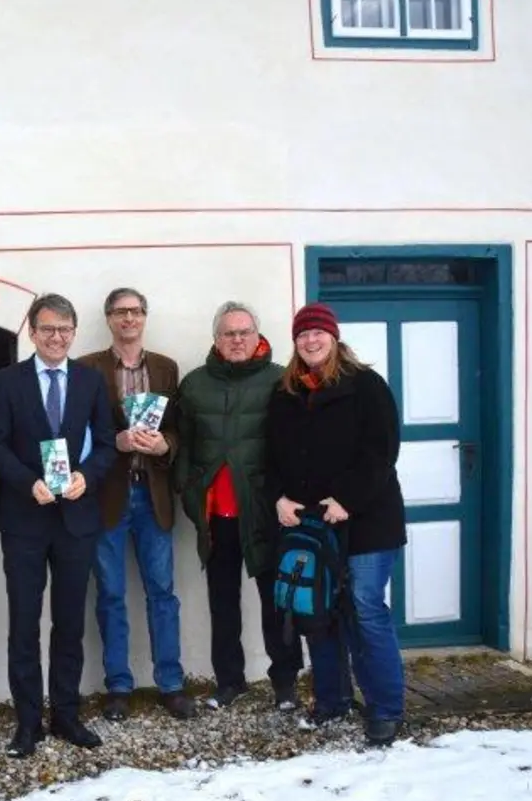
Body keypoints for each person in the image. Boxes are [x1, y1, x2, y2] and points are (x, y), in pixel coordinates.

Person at [264, 303, 408, 746]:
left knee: (365, 609)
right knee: (318, 613)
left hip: (367, 521)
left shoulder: (366, 386)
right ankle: (332, 700)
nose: (310, 340)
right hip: (313, 525)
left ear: (334, 336)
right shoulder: (285, 393)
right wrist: (278, 498)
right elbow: (269, 455)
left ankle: (385, 708)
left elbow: (381, 451)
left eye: (318, 333)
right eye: (302, 334)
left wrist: (348, 498)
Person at [0, 293, 117, 758]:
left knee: (69, 623)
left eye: (64, 329)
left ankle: (66, 714)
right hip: (25, 520)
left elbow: (106, 444)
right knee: (23, 624)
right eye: (47, 329)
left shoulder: (90, 381)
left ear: (74, 333)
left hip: (76, 520)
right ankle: (27, 723)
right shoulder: (7, 381)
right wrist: (27, 483)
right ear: (32, 331)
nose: (56, 337)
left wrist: (86, 475)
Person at [176, 301, 303, 710]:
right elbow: (184, 445)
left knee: (277, 601)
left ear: (257, 336)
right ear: (216, 339)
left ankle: (285, 683)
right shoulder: (195, 384)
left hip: (266, 513)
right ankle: (229, 681)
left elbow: (296, 445)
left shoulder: (281, 379)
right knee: (223, 603)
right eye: (229, 333)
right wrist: (189, 490)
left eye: (244, 332)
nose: (237, 340)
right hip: (216, 517)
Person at [78, 288, 193, 721]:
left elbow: (179, 429)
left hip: (153, 493)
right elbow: (80, 430)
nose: (129, 318)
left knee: (162, 593)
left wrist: (166, 443)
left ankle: (171, 683)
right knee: (109, 595)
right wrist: (115, 440)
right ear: (109, 318)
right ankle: (118, 686)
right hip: (108, 494)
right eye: (120, 312)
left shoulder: (165, 368)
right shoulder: (88, 367)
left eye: (135, 311)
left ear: (145, 317)